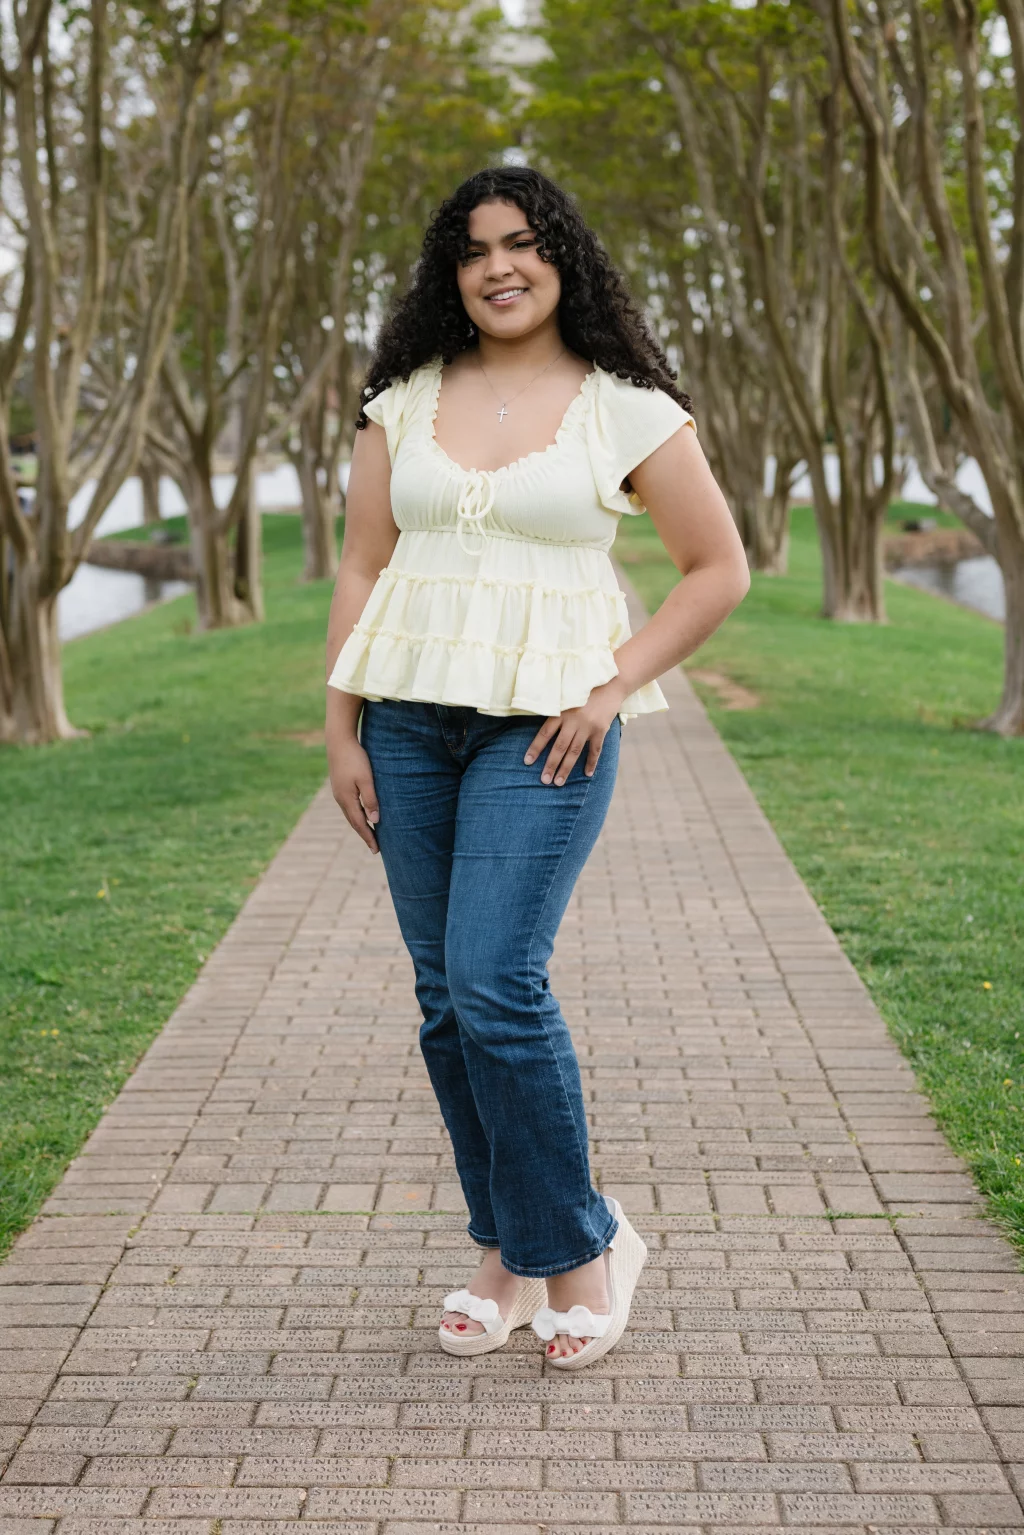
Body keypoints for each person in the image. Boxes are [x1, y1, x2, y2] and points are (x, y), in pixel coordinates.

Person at [324, 166, 748, 1368]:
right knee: (444, 999)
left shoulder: (623, 405)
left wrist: (612, 684)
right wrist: (340, 723)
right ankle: (507, 1251)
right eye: (473, 250)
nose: (497, 266)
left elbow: (716, 566)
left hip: (543, 727)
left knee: (494, 977)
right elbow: (364, 565)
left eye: (521, 242)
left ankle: (583, 1246)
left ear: (561, 256)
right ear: (447, 274)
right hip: (405, 722)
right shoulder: (400, 398)